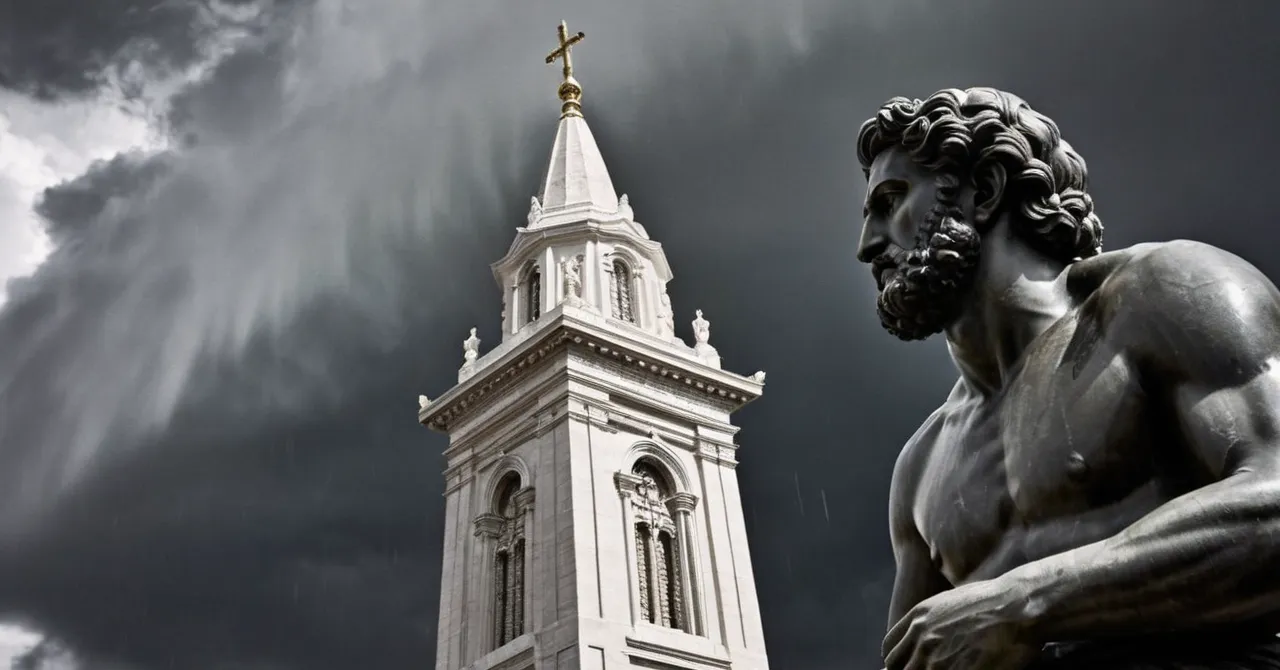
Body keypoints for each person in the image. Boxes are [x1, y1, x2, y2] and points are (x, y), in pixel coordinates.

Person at [855, 87, 1280, 670]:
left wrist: (1025, 604)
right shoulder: (922, 465)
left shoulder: (1167, 293)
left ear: (984, 191)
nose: (868, 245)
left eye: (891, 200)